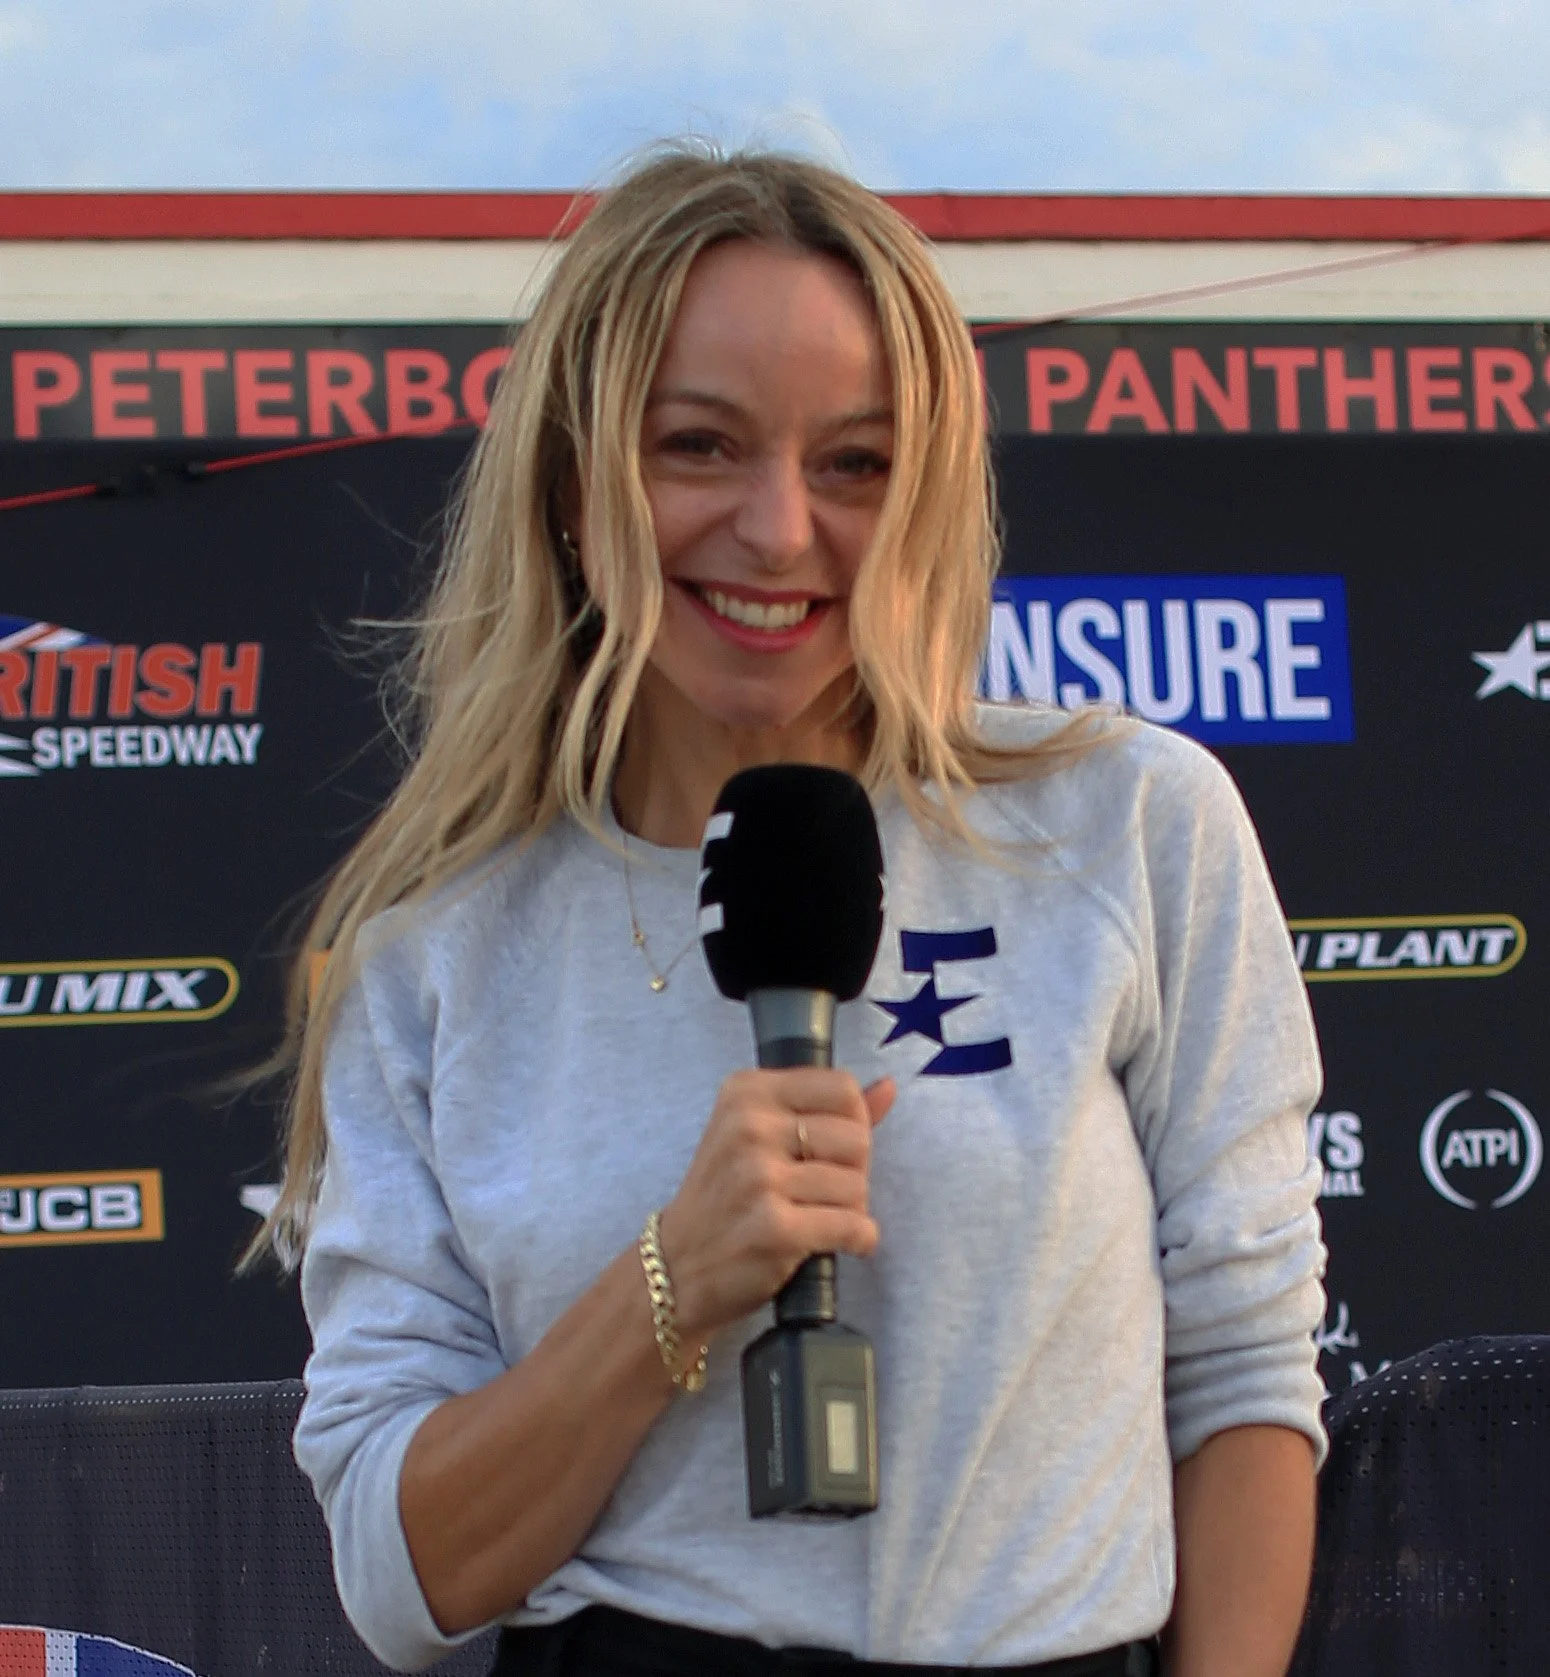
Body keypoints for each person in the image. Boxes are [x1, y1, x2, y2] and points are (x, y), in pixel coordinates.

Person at [259, 146, 1327, 1677]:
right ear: (575, 484)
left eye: (854, 463)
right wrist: (670, 1283)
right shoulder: (431, 958)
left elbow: (1240, 1373)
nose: (776, 530)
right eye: (699, 447)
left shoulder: (1129, 822)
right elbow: (400, 1574)